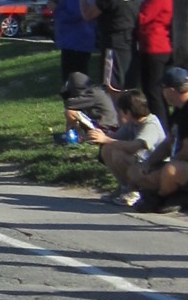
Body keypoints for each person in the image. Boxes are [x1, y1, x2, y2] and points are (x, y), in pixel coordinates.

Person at [76, 0, 142, 95]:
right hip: (131, 43)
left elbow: (88, 14)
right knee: (129, 89)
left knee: (112, 90)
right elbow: (111, 4)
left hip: (114, 45)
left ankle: (117, 117)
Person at [89, 89, 165, 206]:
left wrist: (107, 139)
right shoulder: (132, 123)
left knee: (118, 154)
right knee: (107, 149)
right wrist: (99, 135)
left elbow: (135, 146)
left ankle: (135, 191)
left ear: (128, 112)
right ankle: (124, 187)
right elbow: (116, 137)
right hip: (139, 162)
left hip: (153, 166)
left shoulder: (151, 124)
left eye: (121, 111)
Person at [127, 67, 188, 214]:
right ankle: (175, 195)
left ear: (172, 90)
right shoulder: (179, 110)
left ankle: (160, 197)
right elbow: (169, 142)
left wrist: (165, 171)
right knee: (135, 171)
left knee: (169, 171)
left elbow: (186, 151)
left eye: (164, 88)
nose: (162, 92)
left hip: (181, 165)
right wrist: (150, 163)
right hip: (178, 163)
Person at [136, 0, 173, 128]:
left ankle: (163, 130)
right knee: (150, 91)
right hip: (148, 45)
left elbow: (144, 16)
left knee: (154, 92)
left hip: (155, 47)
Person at [49, 0, 97, 82]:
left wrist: (56, 9)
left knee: (74, 84)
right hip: (78, 39)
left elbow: (77, 12)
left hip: (75, 41)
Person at [61, 71, 119, 138]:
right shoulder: (95, 91)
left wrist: (65, 94)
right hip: (110, 125)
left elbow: (69, 104)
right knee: (74, 111)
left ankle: (79, 136)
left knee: (69, 112)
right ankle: (71, 134)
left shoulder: (92, 95)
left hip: (106, 128)